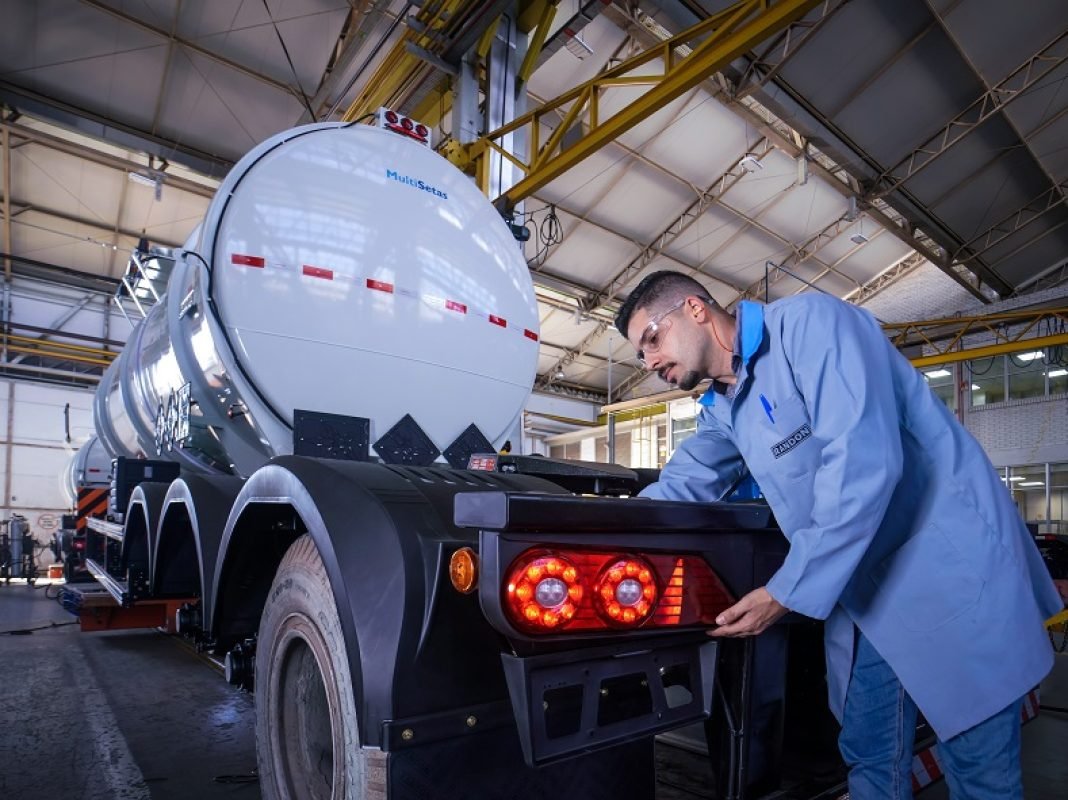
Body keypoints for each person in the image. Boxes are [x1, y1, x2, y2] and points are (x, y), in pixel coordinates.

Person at [615, 270, 1062, 800]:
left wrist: (784, 591)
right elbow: (683, 485)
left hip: (941, 575)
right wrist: (587, 521)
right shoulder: (724, 409)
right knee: (870, 759)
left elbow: (864, 464)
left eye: (651, 339)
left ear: (694, 309)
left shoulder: (812, 327)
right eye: (640, 356)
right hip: (867, 599)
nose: (650, 363)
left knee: (979, 769)